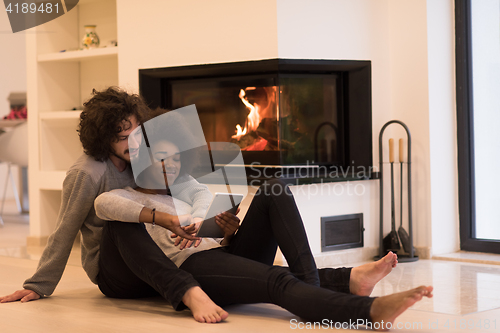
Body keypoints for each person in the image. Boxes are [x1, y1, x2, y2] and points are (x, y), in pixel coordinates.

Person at [94, 109, 433, 329]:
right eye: (162, 158)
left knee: (274, 188)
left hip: (220, 255)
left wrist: (224, 232)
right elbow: (104, 205)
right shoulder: (124, 198)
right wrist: (165, 219)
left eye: (177, 157)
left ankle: (319, 291)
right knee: (275, 281)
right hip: (194, 269)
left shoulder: (183, 187)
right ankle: (364, 312)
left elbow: (206, 219)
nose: (173, 165)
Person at [0, 87, 229, 323]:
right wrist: (39, 284)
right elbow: (64, 230)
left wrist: (199, 220)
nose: (132, 143)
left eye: (136, 133)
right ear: (103, 137)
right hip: (113, 267)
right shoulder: (87, 173)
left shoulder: (142, 159)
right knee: (121, 222)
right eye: (121, 137)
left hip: (151, 258)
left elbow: (194, 190)